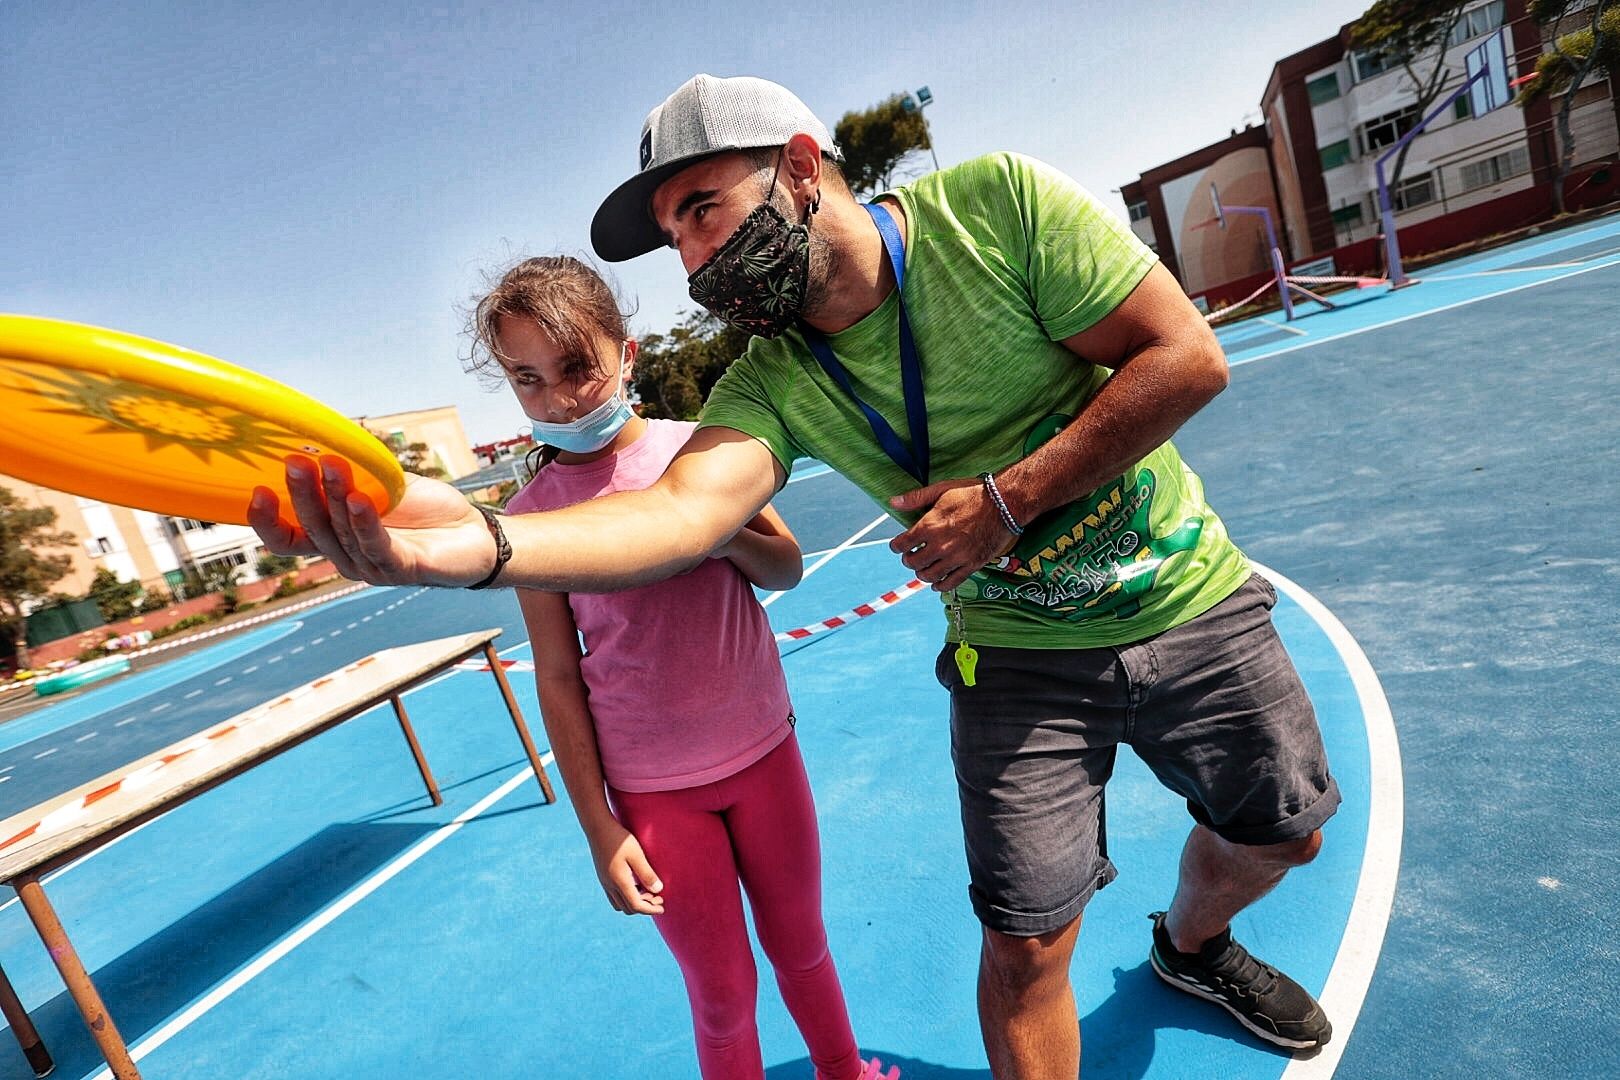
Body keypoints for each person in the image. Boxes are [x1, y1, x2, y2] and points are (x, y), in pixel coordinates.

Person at [251, 75, 1339, 1079]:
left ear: (802, 167)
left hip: (1190, 595)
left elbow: (1186, 357)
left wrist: (1010, 499)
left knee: (1284, 833)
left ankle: (1193, 943)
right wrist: (472, 547)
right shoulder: (768, 381)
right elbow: (678, 514)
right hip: (1015, 655)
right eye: (673, 240)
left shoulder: (998, 207)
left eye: (702, 211)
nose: (691, 261)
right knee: (1023, 946)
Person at [464, 255, 896, 1080]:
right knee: (723, 992)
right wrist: (600, 827)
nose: (558, 398)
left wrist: (710, 525)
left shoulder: (702, 449)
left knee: (803, 949)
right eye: (528, 379)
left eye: (577, 368)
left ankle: (846, 1072)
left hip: (765, 754)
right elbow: (557, 676)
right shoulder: (531, 520)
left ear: (625, 355)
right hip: (657, 792)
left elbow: (785, 567)